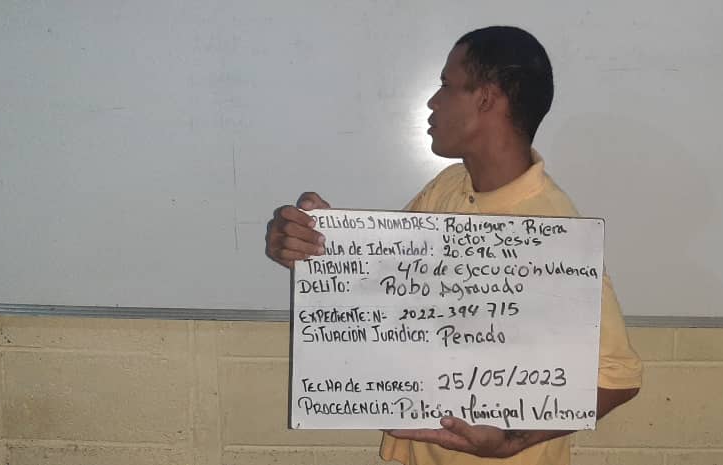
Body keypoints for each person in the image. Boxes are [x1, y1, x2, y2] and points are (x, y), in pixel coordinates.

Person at [265, 26, 642, 465]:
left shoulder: (552, 228)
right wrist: (315, 247)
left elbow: (618, 377)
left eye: (446, 85)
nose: (433, 101)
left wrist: (514, 439)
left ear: (486, 99)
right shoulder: (450, 185)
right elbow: (387, 284)